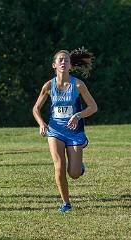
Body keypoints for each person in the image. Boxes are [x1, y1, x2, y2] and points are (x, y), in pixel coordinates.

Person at [32, 48, 98, 212]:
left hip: (75, 132)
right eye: (60, 60)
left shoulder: (78, 85)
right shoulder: (48, 86)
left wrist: (78, 115)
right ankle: (66, 203)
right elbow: (35, 109)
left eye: (66, 60)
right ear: (54, 65)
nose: (63, 62)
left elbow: (93, 107)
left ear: (70, 66)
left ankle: (79, 165)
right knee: (59, 166)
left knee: (74, 173)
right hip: (55, 131)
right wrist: (41, 123)